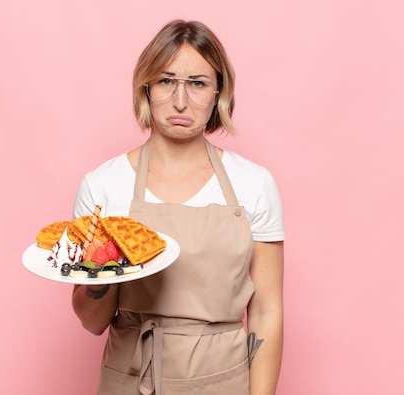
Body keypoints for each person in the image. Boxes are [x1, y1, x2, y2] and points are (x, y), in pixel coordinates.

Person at [71, 19, 285, 395]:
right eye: (166, 81)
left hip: (223, 383)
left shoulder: (253, 184)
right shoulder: (103, 186)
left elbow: (266, 311)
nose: (181, 101)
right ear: (146, 87)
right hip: (129, 380)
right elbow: (92, 321)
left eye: (198, 83)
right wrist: (100, 274)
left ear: (219, 91)